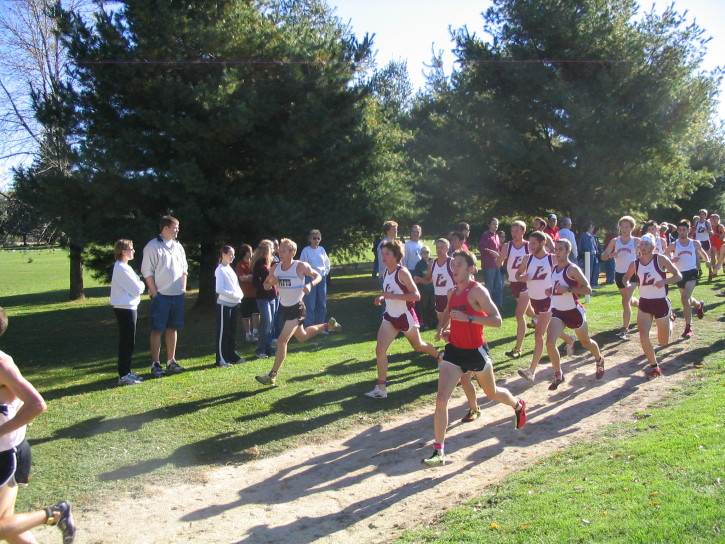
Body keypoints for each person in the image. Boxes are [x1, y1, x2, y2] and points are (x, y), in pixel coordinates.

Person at [422, 250, 527, 466]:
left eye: (459, 265)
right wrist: (442, 329)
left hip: (476, 351)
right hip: (454, 352)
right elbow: (447, 316)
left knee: (491, 393)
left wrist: (470, 318)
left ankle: (518, 405)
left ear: (471, 269)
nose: (454, 269)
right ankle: (439, 451)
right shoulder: (453, 292)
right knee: (441, 399)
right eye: (453, 265)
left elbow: (497, 321)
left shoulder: (477, 291)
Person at [0, 307, 76, 544]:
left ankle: (56, 513)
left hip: (6, 454)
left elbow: (36, 404)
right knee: (7, 524)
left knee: (1, 527)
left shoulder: (3, 365)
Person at [255, 239, 341, 386]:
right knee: (302, 336)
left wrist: (310, 284)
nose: (279, 253)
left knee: (282, 341)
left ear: (292, 252)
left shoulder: (301, 266)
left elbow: (318, 276)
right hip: (285, 308)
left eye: (283, 251)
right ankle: (328, 325)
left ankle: (272, 375)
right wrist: (271, 283)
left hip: (297, 307)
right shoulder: (275, 267)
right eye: (279, 251)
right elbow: (265, 286)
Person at [365, 240, 441, 399]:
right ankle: (381, 388)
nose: (383, 257)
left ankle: (441, 357)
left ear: (396, 256)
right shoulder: (386, 272)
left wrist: (393, 296)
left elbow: (416, 295)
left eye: (387, 254)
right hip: (390, 318)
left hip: (405, 317)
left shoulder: (402, 272)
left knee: (419, 346)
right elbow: (388, 292)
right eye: (382, 254)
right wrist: (381, 297)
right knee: (380, 350)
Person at [545, 239, 605, 390]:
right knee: (550, 342)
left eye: (560, 249)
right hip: (558, 312)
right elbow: (557, 289)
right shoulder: (553, 269)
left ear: (568, 252)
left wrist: (569, 289)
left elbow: (588, 289)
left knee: (585, 342)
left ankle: (599, 359)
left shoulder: (572, 269)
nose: (557, 252)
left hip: (574, 312)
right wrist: (550, 291)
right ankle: (558, 374)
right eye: (556, 249)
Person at [515, 231, 574, 381]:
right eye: (530, 243)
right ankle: (569, 339)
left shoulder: (552, 259)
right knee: (548, 329)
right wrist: (521, 277)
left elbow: (567, 267)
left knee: (538, 334)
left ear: (542, 243)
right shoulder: (527, 259)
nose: (531, 246)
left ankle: (531, 370)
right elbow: (517, 274)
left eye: (534, 243)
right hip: (534, 300)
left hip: (548, 301)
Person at [623, 234, 682, 379]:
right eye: (641, 244)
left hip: (661, 302)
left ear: (652, 247)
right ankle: (655, 367)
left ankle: (670, 318)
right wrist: (628, 284)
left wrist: (664, 281)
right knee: (643, 336)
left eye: (646, 245)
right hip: (645, 303)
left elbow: (678, 275)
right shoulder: (634, 264)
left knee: (663, 342)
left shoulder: (660, 259)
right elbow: (625, 278)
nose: (642, 247)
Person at [141, 215, 188, 378]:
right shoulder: (152, 246)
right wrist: (155, 294)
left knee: (173, 327)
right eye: (175, 228)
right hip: (161, 296)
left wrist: (183, 288)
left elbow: (184, 269)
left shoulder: (178, 246)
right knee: (157, 329)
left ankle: (171, 360)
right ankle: (155, 363)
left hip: (177, 294)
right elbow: (147, 272)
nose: (177, 231)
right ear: (165, 228)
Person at [496, 220, 535, 359]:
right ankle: (566, 336)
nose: (514, 234)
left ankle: (517, 349)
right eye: (512, 231)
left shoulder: (529, 246)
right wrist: (501, 256)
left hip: (526, 283)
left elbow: (537, 261)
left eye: (517, 231)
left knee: (519, 315)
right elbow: (499, 264)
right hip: (513, 283)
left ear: (523, 232)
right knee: (531, 313)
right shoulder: (508, 245)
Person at [110, 239, 146, 386]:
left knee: (129, 341)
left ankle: (127, 371)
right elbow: (137, 288)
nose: (134, 251)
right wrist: (141, 284)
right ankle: (123, 375)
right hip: (124, 308)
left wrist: (139, 284)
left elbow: (137, 285)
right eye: (131, 249)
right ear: (123, 252)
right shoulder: (121, 268)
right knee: (127, 341)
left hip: (129, 306)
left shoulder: (125, 267)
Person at [667, 220, 709, 339]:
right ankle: (698, 305)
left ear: (688, 230)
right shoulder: (674, 245)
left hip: (691, 273)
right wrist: (671, 260)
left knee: (684, 299)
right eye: (679, 230)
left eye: (683, 230)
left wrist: (708, 260)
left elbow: (702, 253)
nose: (681, 232)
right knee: (688, 299)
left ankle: (688, 327)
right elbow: (663, 257)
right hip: (679, 275)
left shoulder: (694, 243)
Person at [601, 215, 640, 340]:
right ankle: (643, 306)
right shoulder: (615, 241)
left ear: (631, 228)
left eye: (627, 227)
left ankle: (624, 329)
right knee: (628, 300)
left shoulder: (636, 241)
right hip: (619, 274)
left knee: (625, 301)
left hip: (632, 274)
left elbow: (646, 254)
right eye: (622, 227)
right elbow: (603, 256)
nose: (624, 229)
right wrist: (611, 255)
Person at [215, 245, 244, 367]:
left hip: (233, 304)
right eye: (230, 254)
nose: (233, 256)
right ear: (223, 255)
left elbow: (235, 285)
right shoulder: (220, 269)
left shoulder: (229, 268)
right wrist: (234, 295)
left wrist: (239, 295)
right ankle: (221, 359)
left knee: (232, 331)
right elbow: (219, 289)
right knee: (223, 332)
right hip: (224, 305)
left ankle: (231, 354)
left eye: (233, 254)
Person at [300, 229, 331, 328]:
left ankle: (320, 326)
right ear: (310, 239)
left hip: (321, 278)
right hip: (310, 278)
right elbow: (302, 265)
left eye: (318, 238)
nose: (316, 240)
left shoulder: (322, 250)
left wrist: (324, 273)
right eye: (314, 238)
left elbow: (327, 264)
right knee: (310, 303)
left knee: (321, 303)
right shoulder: (306, 250)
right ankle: (309, 326)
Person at [252, 241, 277, 359]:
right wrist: (265, 288)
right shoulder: (260, 264)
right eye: (271, 248)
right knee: (266, 322)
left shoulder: (271, 263)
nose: (273, 250)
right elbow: (256, 281)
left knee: (271, 324)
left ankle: (268, 347)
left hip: (272, 297)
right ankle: (260, 350)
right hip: (263, 297)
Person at [235, 244, 260, 343]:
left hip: (255, 293)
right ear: (244, 253)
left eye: (251, 251)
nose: (251, 253)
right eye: (249, 251)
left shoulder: (254, 264)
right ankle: (247, 334)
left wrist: (250, 277)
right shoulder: (240, 264)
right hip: (244, 294)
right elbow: (242, 278)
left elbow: (257, 277)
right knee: (246, 315)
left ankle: (255, 332)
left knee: (256, 313)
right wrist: (251, 277)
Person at [478, 217, 503, 309]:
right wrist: (490, 251)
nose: (496, 226)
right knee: (490, 287)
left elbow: (498, 249)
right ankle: (488, 306)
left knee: (498, 286)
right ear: (489, 225)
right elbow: (481, 248)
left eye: (497, 224)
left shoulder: (496, 235)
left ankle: (498, 305)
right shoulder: (486, 235)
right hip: (488, 265)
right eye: (494, 224)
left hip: (496, 264)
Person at [412, 245, 436, 330]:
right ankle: (425, 323)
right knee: (424, 306)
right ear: (421, 254)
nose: (425, 255)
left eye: (427, 253)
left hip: (433, 289)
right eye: (424, 253)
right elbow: (416, 277)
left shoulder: (433, 262)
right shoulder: (419, 264)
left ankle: (433, 323)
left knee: (433, 306)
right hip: (423, 289)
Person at [693, 209, 713, 279]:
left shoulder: (707, 223)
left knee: (707, 258)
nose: (701, 216)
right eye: (700, 214)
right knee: (697, 258)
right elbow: (694, 231)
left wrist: (705, 229)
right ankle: (700, 271)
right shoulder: (696, 223)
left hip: (705, 241)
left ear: (705, 215)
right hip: (698, 242)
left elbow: (711, 233)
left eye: (703, 214)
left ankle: (710, 271)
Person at [579, 222, 600, 287]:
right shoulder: (585, 235)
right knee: (587, 271)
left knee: (591, 271)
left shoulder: (590, 236)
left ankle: (589, 285)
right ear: (588, 227)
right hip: (588, 256)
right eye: (592, 227)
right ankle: (586, 286)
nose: (593, 228)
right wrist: (590, 251)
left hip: (593, 256)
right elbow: (584, 246)